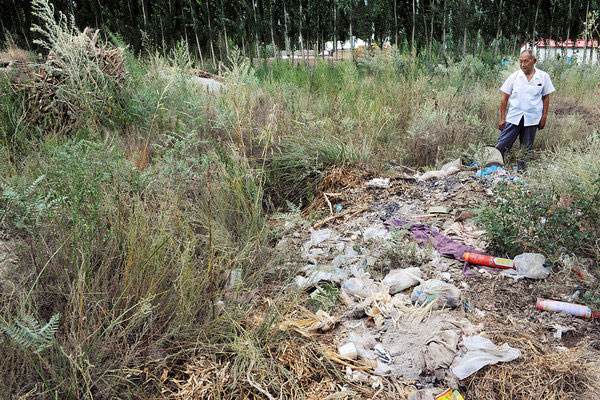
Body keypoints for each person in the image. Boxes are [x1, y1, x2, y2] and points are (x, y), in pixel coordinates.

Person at [496, 49, 555, 171]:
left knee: (526, 149)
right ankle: (493, 168)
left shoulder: (543, 77)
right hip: (514, 117)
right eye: (521, 61)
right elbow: (504, 98)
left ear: (534, 61)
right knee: (502, 145)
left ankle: (521, 173)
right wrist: (503, 119)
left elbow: (546, 98)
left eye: (526, 61)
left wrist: (543, 118)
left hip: (532, 118)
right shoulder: (514, 77)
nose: (523, 64)